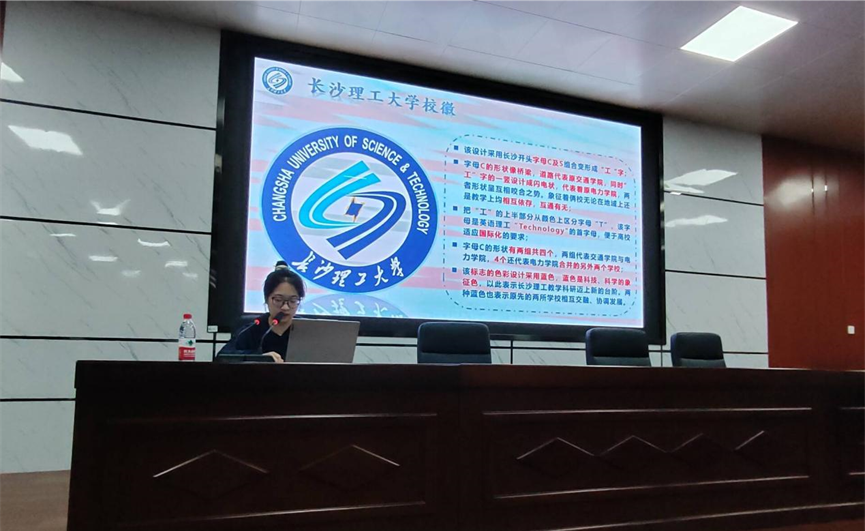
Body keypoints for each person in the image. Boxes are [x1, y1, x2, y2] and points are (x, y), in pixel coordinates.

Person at [218, 261, 305, 362]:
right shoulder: (254, 328)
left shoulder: (306, 330)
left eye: (293, 301)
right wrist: (259, 358)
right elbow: (222, 358)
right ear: (266, 299)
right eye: (278, 300)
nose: (285, 307)